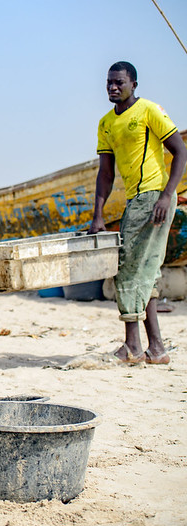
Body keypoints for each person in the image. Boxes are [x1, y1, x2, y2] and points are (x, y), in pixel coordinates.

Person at [89, 61, 186, 365]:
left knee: (126, 268)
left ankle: (132, 346)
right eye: (109, 83)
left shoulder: (148, 110)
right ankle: (155, 347)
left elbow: (180, 151)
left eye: (119, 82)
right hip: (135, 200)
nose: (113, 87)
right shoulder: (106, 123)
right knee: (145, 272)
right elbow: (106, 174)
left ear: (133, 85)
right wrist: (98, 215)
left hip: (155, 197)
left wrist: (167, 195)